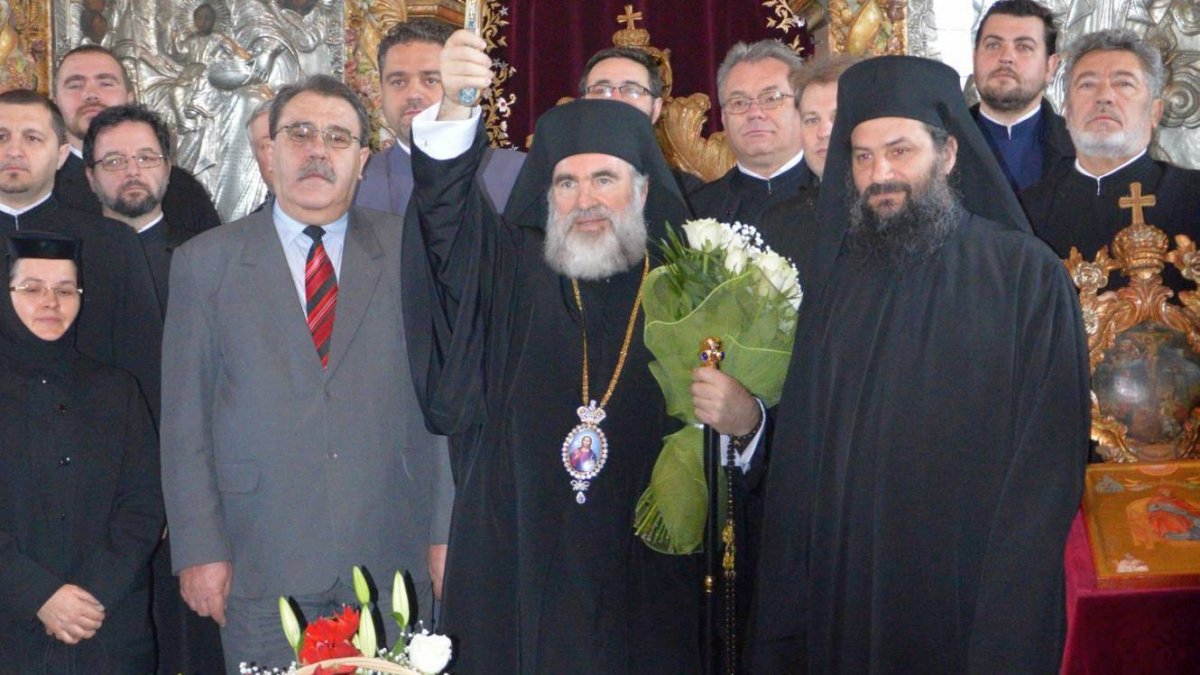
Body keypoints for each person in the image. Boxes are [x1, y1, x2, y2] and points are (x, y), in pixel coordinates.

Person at [404, 28, 762, 674]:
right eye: (565, 183)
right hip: (524, 553)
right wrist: (456, 104)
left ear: (643, 189)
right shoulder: (513, 270)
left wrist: (745, 419)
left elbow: (739, 443)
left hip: (648, 574)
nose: (585, 200)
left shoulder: (696, 287)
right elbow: (446, 223)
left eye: (604, 178)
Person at [748, 56, 1090, 673]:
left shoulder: (1025, 275)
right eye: (862, 156)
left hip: (967, 586)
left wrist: (1009, 610)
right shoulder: (838, 284)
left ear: (949, 153)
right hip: (850, 587)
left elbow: (1048, 463)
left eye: (900, 151)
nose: (880, 174)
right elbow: (804, 456)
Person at [161, 74, 452, 672]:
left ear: (362, 160)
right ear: (269, 152)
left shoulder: (413, 253)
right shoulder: (204, 263)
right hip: (259, 557)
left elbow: (444, 402)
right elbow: (184, 422)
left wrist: (448, 531)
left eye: (338, 137)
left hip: (391, 550)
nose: (318, 150)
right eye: (300, 134)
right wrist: (198, 548)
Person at [0, 232, 162, 672]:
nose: (50, 302)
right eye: (31, 288)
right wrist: (38, 595)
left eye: (65, 290)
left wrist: (90, 595)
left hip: (107, 627)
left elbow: (144, 505)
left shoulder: (116, 390)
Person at [0, 89, 161, 419]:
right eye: (1, 137)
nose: (14, 150)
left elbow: (145, 361)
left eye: (32, 138)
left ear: (61, 155)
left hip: (92, 428)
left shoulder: (113, 243)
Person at [1023, 28, 1200, 291]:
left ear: (1155, 112)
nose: (1104, 97)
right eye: (1087, 84)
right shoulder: (1025, 214)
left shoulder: (1193, 197)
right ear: (1067, 113)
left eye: (1124, 83)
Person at [356, 18, 524, 216]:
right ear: (381, 91)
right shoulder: (353, 180)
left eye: (431, 80)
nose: (413, 94)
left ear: (461, 84)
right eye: (398, 82)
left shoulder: (517, 174)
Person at [50, 45, 223, 233]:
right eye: (75, 85)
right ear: (54, 102)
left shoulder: (181, 188)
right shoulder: (42, 188)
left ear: (130, 97)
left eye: (106, 83)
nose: (91, 94)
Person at [85, 104, 219, 312]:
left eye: (146, 158)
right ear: (91, 178)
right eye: (114, 161)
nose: (132, 171)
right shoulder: (70, 263)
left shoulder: (207, 262)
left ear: (167, 169)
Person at [690, 39, 812, 225]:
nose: (755, 113)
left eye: (771, 98)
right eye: (739, 102)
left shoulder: (840, 196)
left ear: (802, 107)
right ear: (723, 119)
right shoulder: (695, 213)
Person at [970, 0, 1073, 191]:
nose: (1006, 57)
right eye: (993, 45)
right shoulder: (939, 144)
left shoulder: (1081, 148)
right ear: (974, 58)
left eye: (1024, 47)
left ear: (1050, 67)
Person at [579, 45, 702, 194]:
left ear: (656, 109)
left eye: (632, 90)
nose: (616, 100)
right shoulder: (556, 185)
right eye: (601, 90)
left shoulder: (691, 195)